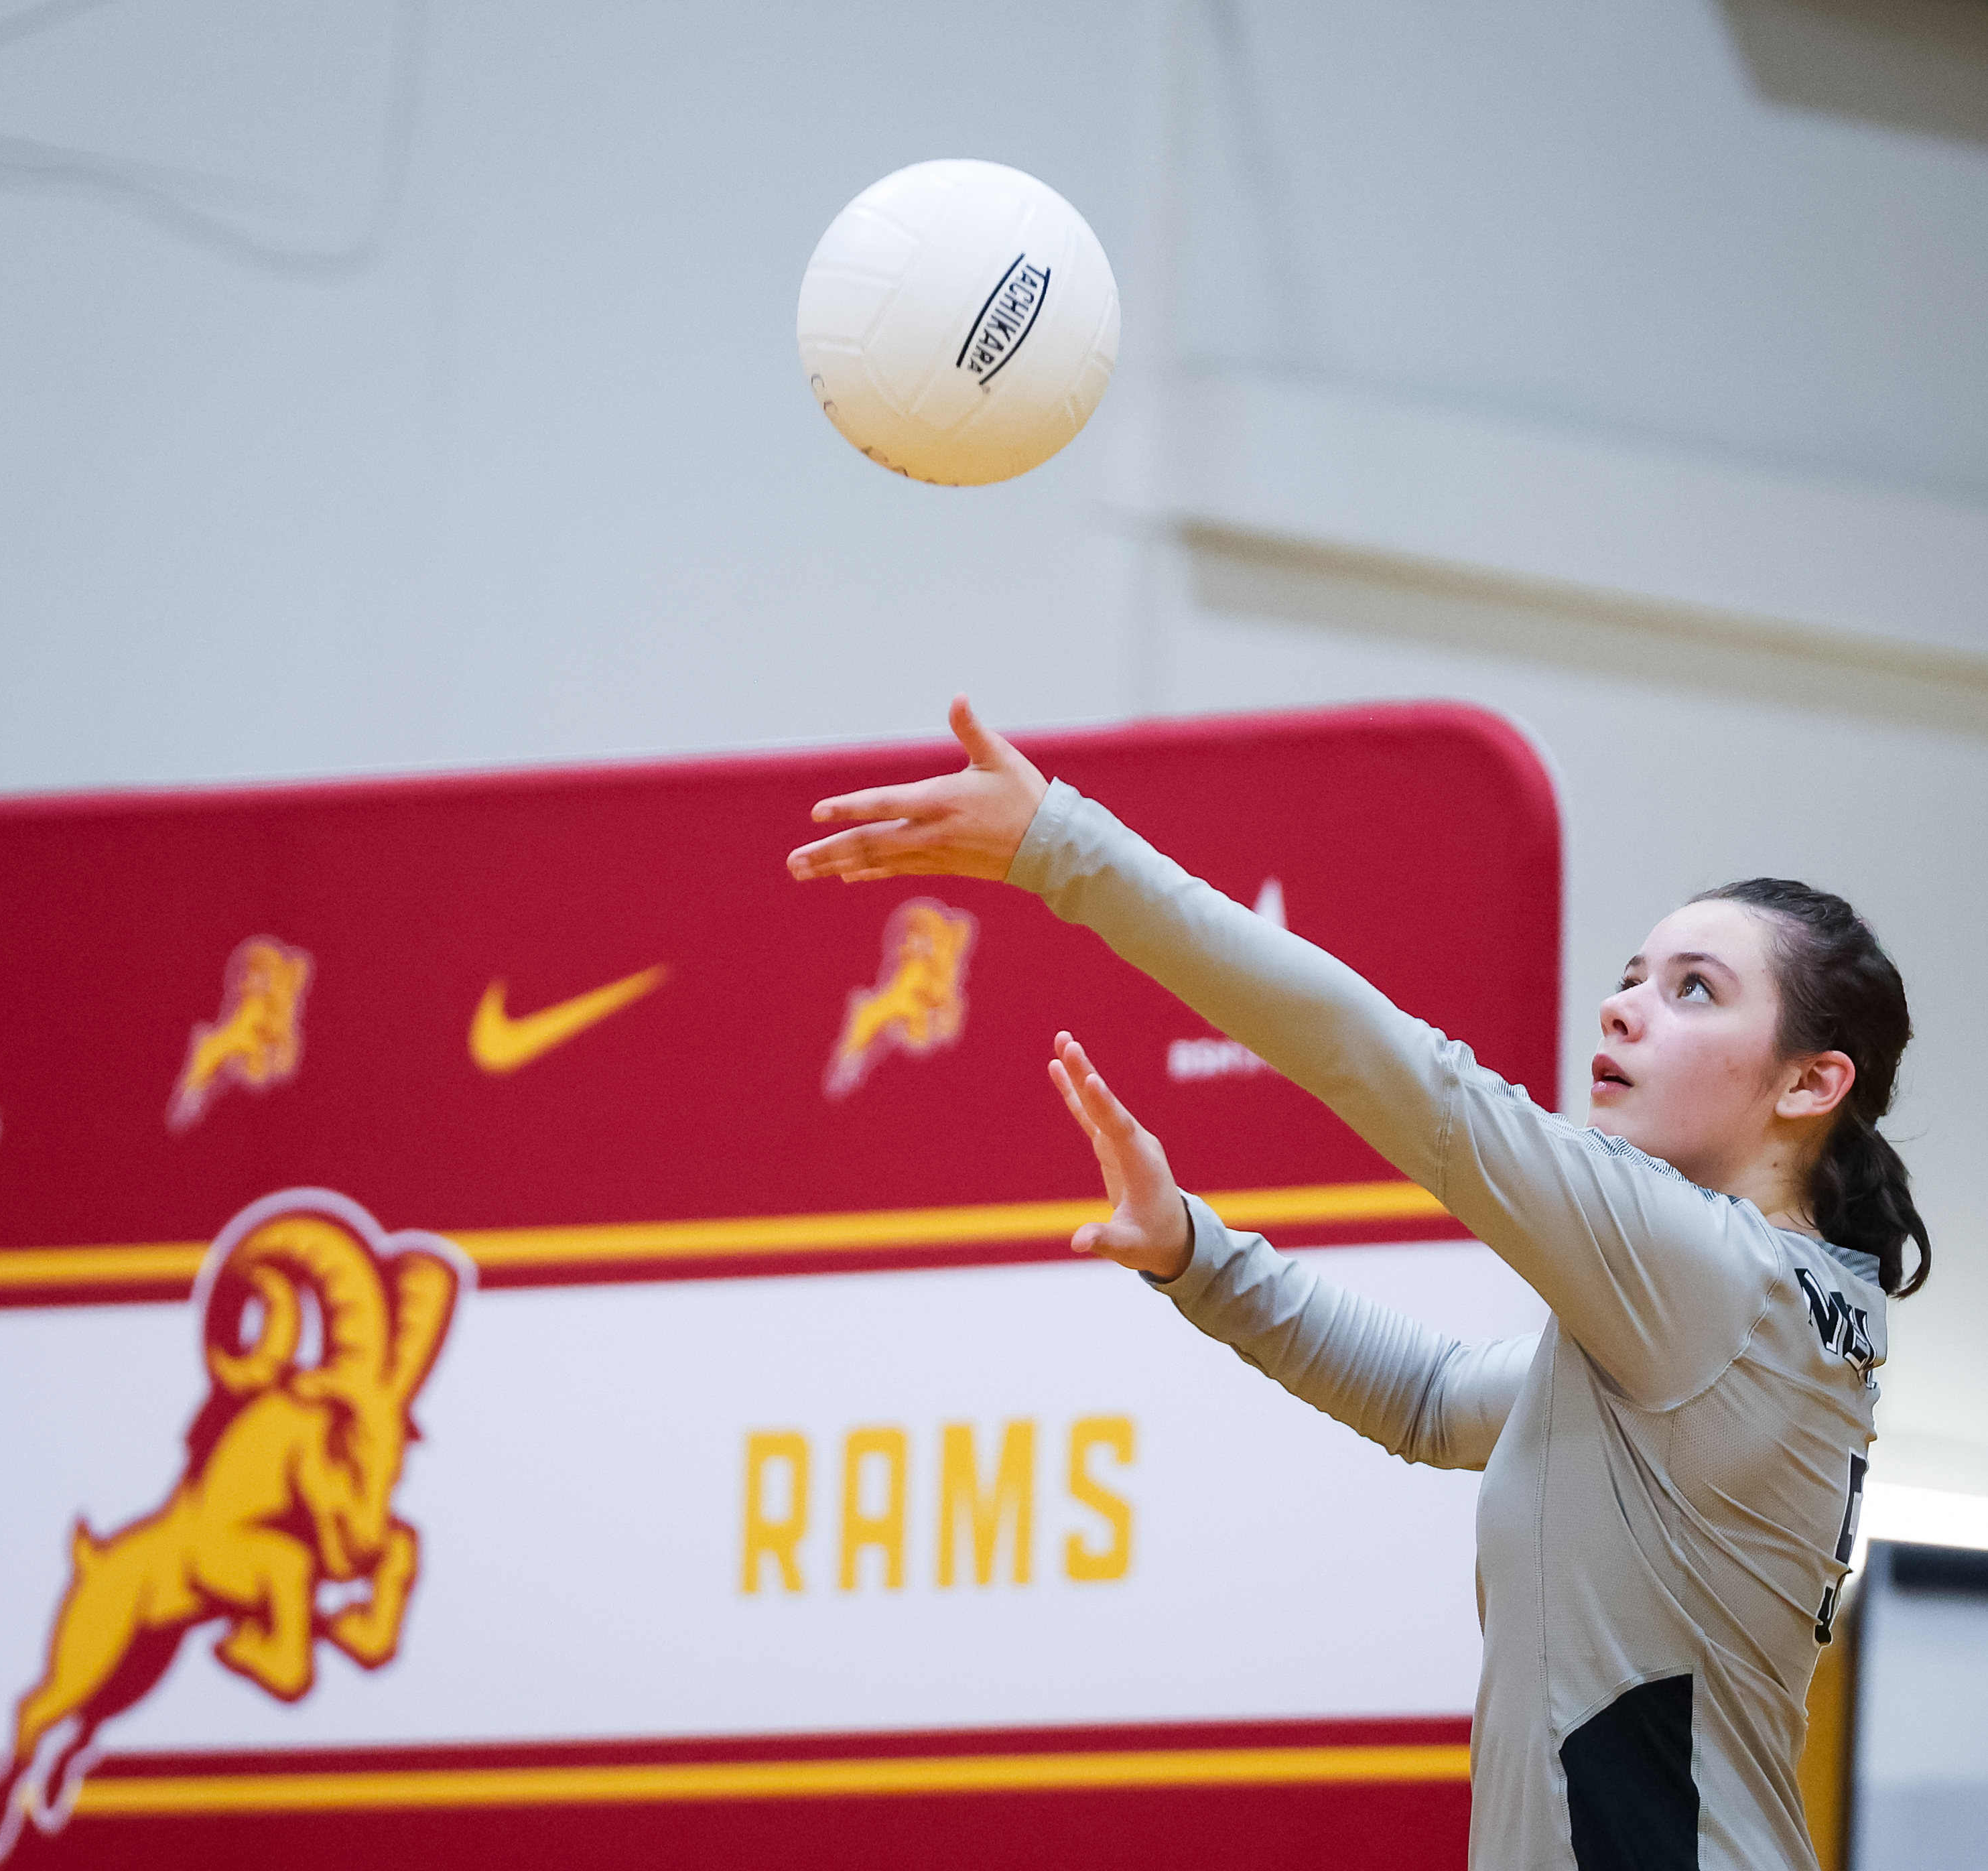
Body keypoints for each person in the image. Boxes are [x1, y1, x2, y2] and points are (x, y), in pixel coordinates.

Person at [787, 697, 1931, 1871]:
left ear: (1810, 1084)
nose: (1624, 1002)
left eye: (1694, 988)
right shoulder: (1749, 1315)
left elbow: (1408, 1079)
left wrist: (1061, 845)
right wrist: (1198, 1253)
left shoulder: (1713, 1280)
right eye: (1635, 973)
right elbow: (1434, 1402)